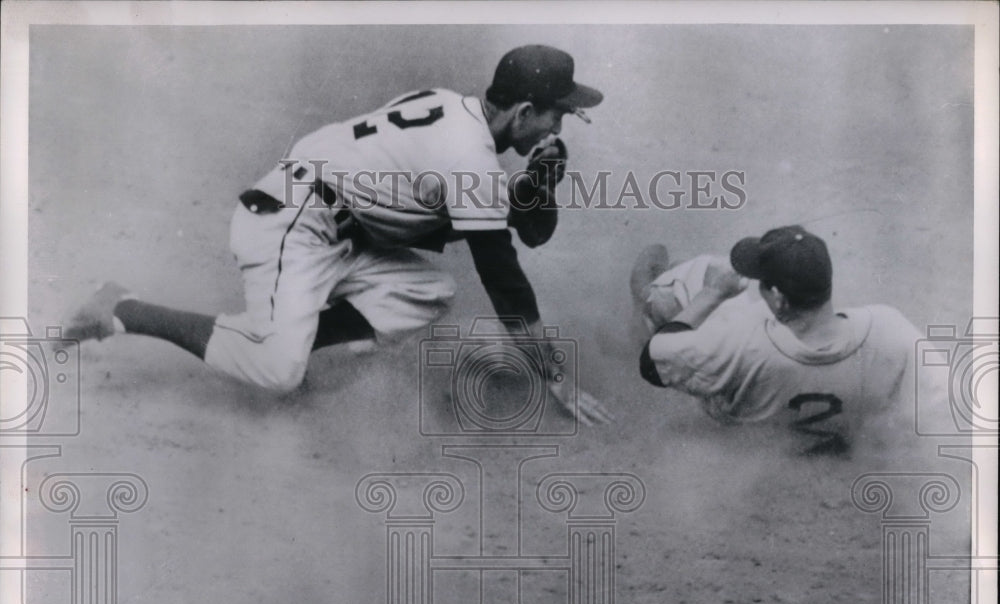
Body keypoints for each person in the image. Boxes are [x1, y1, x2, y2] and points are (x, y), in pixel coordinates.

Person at [63, 45, 611, 425]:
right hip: (289, 224)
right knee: (278, 372)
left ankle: (286, 339)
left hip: (335, 225)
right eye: (557, 115)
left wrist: (538, 187)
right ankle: (129, 308)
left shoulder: (447, 104)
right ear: (523, 111)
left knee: (429, 292)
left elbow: (501, 222)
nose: (559, 129)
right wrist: (554, 375)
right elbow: (506, 280)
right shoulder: (470, 160)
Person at [633, 226, 921, 453]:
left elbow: (651, 362)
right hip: (808, 430)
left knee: (698, 278)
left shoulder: (738, 341)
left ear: (780, 300)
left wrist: (713, 294)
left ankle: (657, 286)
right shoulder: (887, 330)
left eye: (765, 287)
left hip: (739, 417)